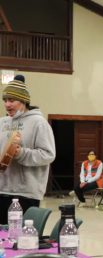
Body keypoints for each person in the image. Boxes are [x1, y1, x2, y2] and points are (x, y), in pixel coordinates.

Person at [0, 75, 56, 224]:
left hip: (26, 194)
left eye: (11, 100)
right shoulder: (2, 122)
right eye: (5, 100)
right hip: (1, 190)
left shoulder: (39, 123)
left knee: (22, 240)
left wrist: (21, 153)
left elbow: (48, 154)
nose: (7, 104)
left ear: (23, 101)